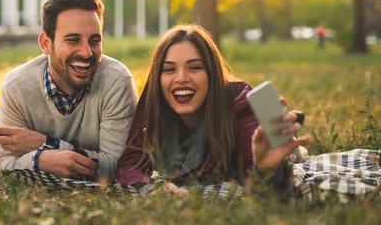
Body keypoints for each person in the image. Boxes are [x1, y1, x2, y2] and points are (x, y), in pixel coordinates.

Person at [115, 23, 310, 190]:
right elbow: (130, 165)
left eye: (195, 67)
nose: (181, 78)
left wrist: (267, 170)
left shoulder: (241, 105)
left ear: (212, 74)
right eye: (169, 69)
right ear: (158, 78)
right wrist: (152, 190)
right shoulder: (154, 105)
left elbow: (257, 170)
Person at [0, 0, 139, 183]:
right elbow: (2, 164)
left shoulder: (116, 81)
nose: (86, 53)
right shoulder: (16, 86)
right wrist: (40, 160)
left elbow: (119, 168)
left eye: (95, 41)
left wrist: (44, 145)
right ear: (46, 44)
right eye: (73, 40)